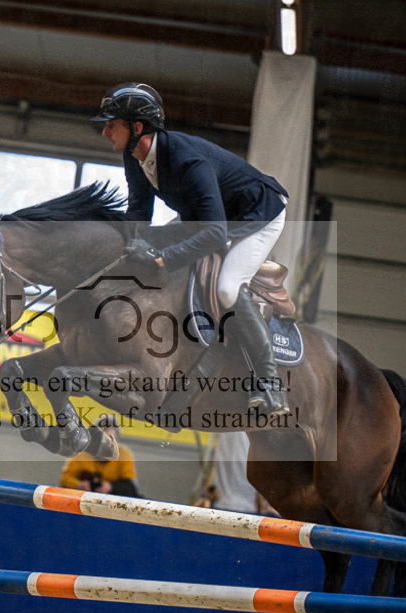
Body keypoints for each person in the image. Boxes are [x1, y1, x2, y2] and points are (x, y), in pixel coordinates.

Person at [93, 82, 290, 416]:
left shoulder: (188, 160)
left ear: (137, 127)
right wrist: (131, 243)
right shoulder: (135, 154)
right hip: (207, 218)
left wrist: (163, 257)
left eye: (113, 124)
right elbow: (139, 212)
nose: (105, 132)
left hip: (257, 216)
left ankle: (270, 383)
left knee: (227, 288)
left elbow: (214, 234)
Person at [60, 418, 139, 497]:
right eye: (104, 441)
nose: (108, 446)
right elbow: (65, 479)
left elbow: (131, 486)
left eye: (112, 441)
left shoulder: (123, 454)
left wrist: (111, 487)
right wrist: (79, 485)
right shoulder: (82, 454)